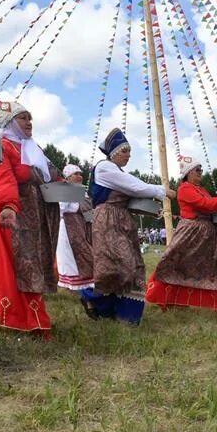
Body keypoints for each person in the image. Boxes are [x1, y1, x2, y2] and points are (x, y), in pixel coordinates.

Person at [0, 101, 60, 337]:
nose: (29, 122)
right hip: (11, 210)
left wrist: (66, 184)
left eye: (29, 117)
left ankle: (30, 315)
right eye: (23, 118)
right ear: (10, 122)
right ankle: (26, 318)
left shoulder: (33, 149)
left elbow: (51, 175)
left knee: (33, 261)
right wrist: (10, 207)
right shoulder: (4, 146)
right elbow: (4, 178)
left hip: (33, 211)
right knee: (22, 263)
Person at [87, 128, 175, 324]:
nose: (128, 155)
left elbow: (132, 190)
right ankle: (98, 302)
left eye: (129, 151)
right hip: (108, 220)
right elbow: (135, 186)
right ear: (114, 152)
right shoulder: (104, 167)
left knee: (130, 265)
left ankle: (119, 313)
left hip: (120, 219)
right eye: (125, 150)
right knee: (117, 265)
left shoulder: (116, 170)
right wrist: (163, 191)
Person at [146, 157, 217, 316]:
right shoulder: (185, 189)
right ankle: (166, 299)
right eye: (197, 169)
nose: (201, 172)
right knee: (173, 264)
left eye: (201, 169)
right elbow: (207, 205)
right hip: (190, 233)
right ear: (188, 173)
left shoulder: (201, 189)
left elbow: (211, 207)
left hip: (206, 233)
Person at [55, 163, 96, 298]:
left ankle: (84, 285)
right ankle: (71, 287)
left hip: (83, 226)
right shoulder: (66, 190)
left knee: (86, 255)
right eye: (75, 174)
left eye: (80, 174)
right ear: (67, 177)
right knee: (69, 258)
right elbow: (59, 210)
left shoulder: (83, 192)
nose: (79, 176)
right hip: (68, 228)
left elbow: (89, 212)